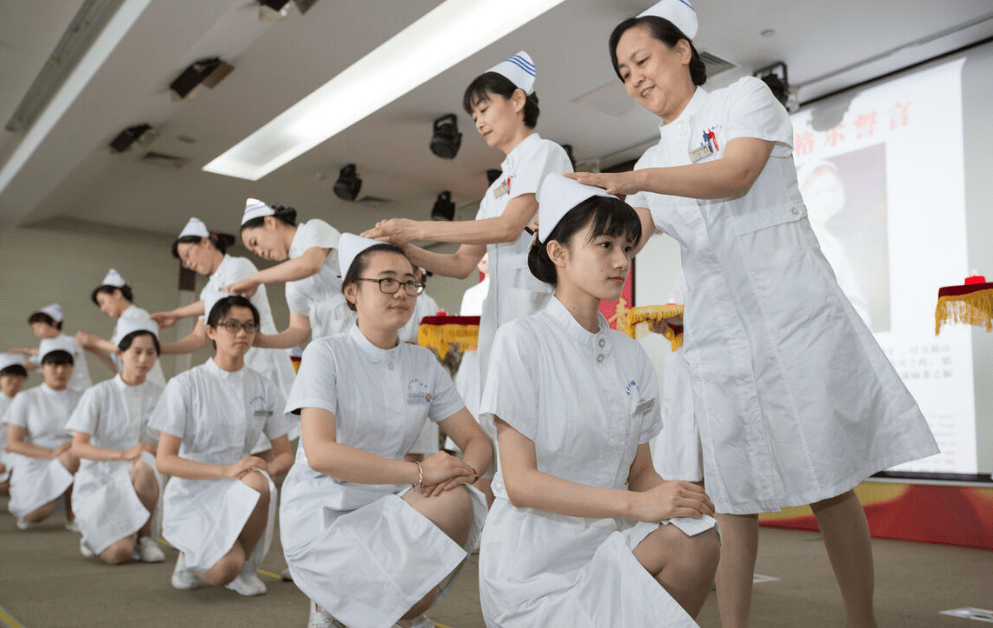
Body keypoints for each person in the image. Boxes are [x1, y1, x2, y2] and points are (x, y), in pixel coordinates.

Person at [567, 2, 940, 626]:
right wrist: (573, 231)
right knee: (732, 496)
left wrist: (635, 182)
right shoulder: (649, 165)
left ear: (682, 50)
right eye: (623, 72)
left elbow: (736, 175)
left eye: (642, 60)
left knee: (826, 483)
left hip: (791, 315)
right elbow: (632, 236)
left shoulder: (744, 99)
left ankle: (862, 620)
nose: (634, 79)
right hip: (717, 333)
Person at [477, 174, 719, 627]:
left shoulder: (630, 355)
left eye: (628, 247)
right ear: (559, 253)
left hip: (606, 546)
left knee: (698, 536)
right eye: (604, 244)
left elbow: (641, 472)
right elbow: (521, 483)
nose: (622, 260)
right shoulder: (522, 341)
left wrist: (676, 498)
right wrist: (636, 505)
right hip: (531, 567)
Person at [279, 234, 491, 628]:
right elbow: (321, 453)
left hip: (392, 502)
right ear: (352, 292)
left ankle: (380, 608)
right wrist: (423, 473)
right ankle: (334, 606)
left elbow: (476, 440)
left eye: (411, 282)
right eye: (387, 281)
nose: (402, 293)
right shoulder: (326, 354)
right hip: (326, 510)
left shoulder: (421, 362)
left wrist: (466, 471)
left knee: (466, 496)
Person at [362, 51, 572, 388]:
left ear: (518, 99)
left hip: (540, 310)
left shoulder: (545, 153)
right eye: (474, 115)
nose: (478, 122)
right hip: (498, 319)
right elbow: (462, 263)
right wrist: (405, 247)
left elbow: (507, 227)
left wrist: (416, 228)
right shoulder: (495, 190)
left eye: (484, 109)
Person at [150, 294, 293, 596]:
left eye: (249, 326)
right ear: (211, 331)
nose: (242, 333)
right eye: (232, 325)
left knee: (260, 482)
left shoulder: (263, 387)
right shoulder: (185, 385)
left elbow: (285, 455)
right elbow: (164, 461)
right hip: (193, 489)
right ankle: (192, 558)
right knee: (222, 571)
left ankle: (245, 569)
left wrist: (266, 468)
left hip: (238, 481)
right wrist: (227, 471)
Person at [152, 217, 296, 398]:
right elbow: (198, 338)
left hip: (265, 359)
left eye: (188, 255)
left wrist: (175, 314)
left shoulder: (238, 265)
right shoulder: (207, 290)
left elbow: (224, 301)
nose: (188, 264)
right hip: (241, 366)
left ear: (205, 242)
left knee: (282, 420)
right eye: (184, 262)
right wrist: (162, 349)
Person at [66, 317, 166, 565]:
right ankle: (98, 534)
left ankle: (145, 537)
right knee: (118, 555)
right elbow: (78, 447)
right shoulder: (99, 394)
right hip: (99, 478)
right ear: (120, 353)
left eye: (150, 353)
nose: (143, 359)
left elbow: (168, 440)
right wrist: (124, 454)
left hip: (138, 475)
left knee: (144, 465)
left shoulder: (161, 395)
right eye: (137, 352)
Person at [229, 199, 354, 347]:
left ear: (270, 222)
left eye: (255, 242)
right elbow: (299, 329)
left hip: (360, 336)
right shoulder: (292, 280)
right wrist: (259, 340)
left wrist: (256, 279)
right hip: (328, 349)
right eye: (254, 252)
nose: (259, 252)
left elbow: (311, 263)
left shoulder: (313, 228)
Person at [3, 337, 82, 530]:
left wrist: (69, 450)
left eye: (66, 365)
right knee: (39, 512)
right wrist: (51, 453)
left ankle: (74, 516)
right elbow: (13, 443)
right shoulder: (27, 398)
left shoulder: (81, 397)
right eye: (53, 365)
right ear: (42, 367)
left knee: (74, 456)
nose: (61, 371)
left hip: (72, 456)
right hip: (34, 459)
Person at [75, 269, 166, 387]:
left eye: (103, 302)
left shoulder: (138, 315)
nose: (102, 309)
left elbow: (125, 347)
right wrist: (95, 349)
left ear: (117, 294)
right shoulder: (121, 324)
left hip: (150, 387)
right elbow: (119, 367)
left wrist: (96, 341)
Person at [9, 303, 93, 396]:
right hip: (61, 392)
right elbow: (38, 361)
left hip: (79, 390)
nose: (36, 331)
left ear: (54, 323)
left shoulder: (70, 341)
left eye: (39, 326)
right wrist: (13, 365)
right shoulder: (45, 343)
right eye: (34, 328)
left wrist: (26, 350)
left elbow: (55, 353)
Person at [0, 353, 29, 497]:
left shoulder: (27, 401)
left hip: (19, 453)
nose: (15, 381)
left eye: (19, 377)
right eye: (9, 376)